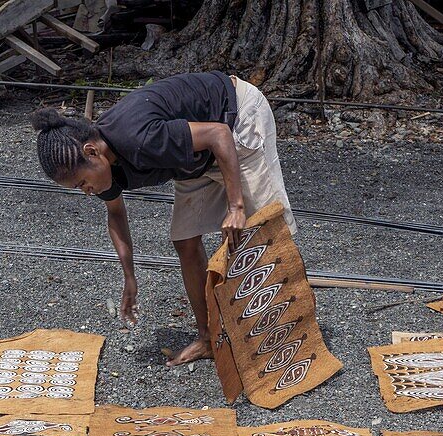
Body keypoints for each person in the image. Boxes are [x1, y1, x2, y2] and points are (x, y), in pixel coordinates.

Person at [31, 71, 296, 366]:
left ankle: (290, 334)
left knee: (266, 233)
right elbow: (116, 213)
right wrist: (130, 277)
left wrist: (236, 207)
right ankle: (208, 338)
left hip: (237, 121)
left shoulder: (139, 138)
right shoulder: (105, 166)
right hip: (194, 158)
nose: (87, 192)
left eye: (82, 184)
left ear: (92, 152)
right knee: (185, 240)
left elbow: (219, 134)